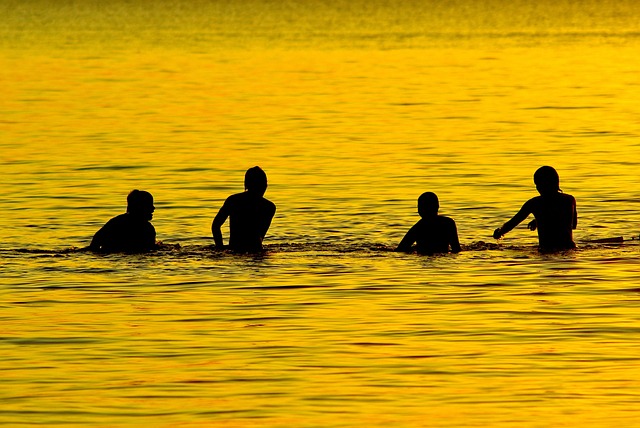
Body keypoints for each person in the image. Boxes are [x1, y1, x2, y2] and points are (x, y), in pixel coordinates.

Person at [493, 166, 577, 251]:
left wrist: (500, 233)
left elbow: (513, 222)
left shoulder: (534, 203)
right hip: (569, 249)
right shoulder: (569, 200)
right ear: (557, 182)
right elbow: (573, 225)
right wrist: (540, 220)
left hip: (546, 249)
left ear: (539, 186)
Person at [212, 166, 276, 253]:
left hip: (235, 250)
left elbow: (215, 225)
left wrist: (220, 248)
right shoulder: (269, 207)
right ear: (264, 185)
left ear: (246, 184)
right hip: (256, 251)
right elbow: (260, 236)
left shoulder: (233, 200)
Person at [89, 190, 157, 252]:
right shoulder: (147, 228)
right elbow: (150, 248)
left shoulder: (116, 222)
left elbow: (96, 241)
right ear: (138, 207)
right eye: (149, 205)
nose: (153, 208)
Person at [396, 192, 461, 254]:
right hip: (444, 259)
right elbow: (456, 249)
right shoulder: (448, 223)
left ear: (419, 210)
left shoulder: (418, 228)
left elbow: (401, 249)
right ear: (437, 206)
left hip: (423, 257)